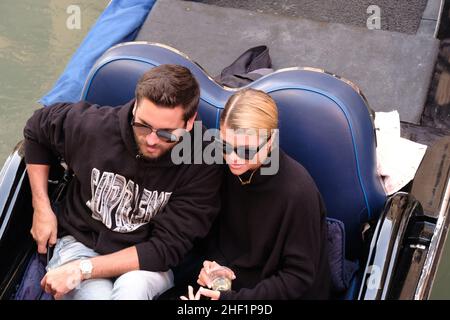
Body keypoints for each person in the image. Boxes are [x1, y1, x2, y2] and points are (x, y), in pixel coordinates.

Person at [23, 64, 222, 300]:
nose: (150, 140)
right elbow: (36, 129)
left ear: (189, 123)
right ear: (135, 107)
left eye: (166, 133)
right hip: (81, 245)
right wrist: (41, 206)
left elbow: (166, 249)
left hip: (147, 262)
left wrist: (83, 269)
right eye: (142, 125)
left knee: (132, 291)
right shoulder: (95, 126)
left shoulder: (202, 160)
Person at [181, 88, 330, 300]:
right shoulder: (222, 165)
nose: (233, 158)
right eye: (225, 145)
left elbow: (299, 278)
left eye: (246, 150)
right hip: (230, 284)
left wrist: (231, 300)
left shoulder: (298, 193)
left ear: (270, 142)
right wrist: (212, 266)